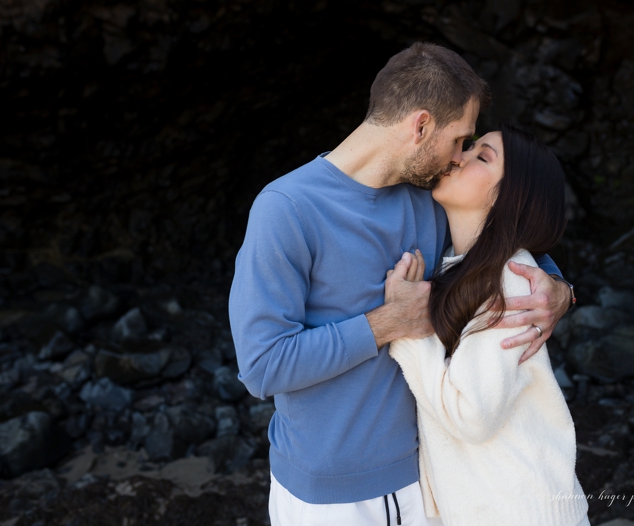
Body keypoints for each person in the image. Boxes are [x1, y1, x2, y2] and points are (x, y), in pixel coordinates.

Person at [230, 43, 575, 526]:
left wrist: (559, 289)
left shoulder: (430, 203)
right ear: (420, 126)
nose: (458, 158)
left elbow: (505, 238)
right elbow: (262, 366)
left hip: (418, 484)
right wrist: (387, 322)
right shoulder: (286, 209)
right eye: (459, 140)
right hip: (316, 490)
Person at [388, 126, 588, 525]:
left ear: (506, 197)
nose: (459, 155)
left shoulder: (510, 280)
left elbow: (472, 416)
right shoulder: (461, 268)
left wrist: (406, 328)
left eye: (482, 156)